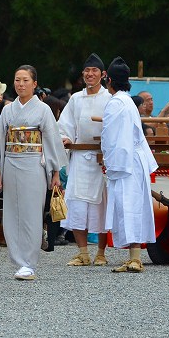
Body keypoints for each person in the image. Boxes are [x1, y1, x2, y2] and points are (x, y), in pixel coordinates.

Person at [0, 65, 68, 280]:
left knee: (32, 212)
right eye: (17, 80)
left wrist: (55, 172)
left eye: (25, 80)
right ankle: (17, 260)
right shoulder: (8, 110)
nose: (20, 84)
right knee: (12, 213)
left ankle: (29, 263)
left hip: (34, 164)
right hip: (10, 162)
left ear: (34, 83)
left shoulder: (43, 110)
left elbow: (51, 140)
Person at [101, 57, 158, 273]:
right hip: (132, 158)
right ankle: (134, 257)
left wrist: (111, 163)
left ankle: (135, 259)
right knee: (131, 206)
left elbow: (112, 137)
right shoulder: (126, 101)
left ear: (110, 81)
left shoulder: (117, 103)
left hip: (125, 161)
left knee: (129, 206)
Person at [58, 53, 111, 266]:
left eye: (94, 71)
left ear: (103, 74)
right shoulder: (76, 99)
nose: (90, 74)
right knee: (78, 203)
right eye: (87, 71)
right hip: (80, 156)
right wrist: (65, 138)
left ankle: (100, 252)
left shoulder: (109, 98)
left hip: (101, 157)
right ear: (83, 75)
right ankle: (82, 252)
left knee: (102, 204)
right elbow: (65, 124)